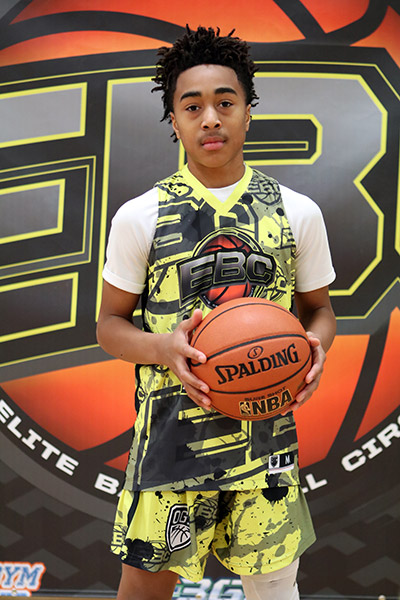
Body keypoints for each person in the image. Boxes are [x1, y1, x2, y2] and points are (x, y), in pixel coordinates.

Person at [97, 26, 336, 600]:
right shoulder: (141, 216)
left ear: (248, 112)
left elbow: (320, 312)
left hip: (266, 438)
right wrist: (163, 347)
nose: (210, 118)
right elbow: (108, 327)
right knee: (143, 592)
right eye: (193, 106)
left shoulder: (297, 212)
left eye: (225, 103)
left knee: (275, 592)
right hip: (171, 442)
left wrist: (314, 351)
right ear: (174, 121)